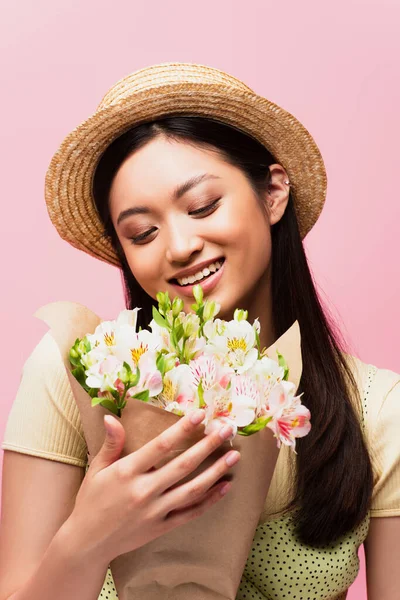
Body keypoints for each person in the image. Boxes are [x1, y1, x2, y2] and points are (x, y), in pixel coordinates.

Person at [0, 62, 399, 600]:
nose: (179, 246)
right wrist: (89, 538)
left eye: (203, 205)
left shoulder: (379, 410)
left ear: (274, 193)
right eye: (142, 233)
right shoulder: (80, 373)